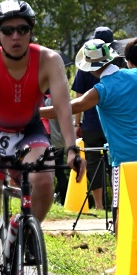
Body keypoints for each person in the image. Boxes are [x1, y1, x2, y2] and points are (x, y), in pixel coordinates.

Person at [0, 0, 84, 275]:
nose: (16, 36)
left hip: (28, 132)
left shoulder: (49, 60)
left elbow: (62, 107)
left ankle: (22, 228)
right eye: (8, 31)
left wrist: (72, 148)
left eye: (23, 29)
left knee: (44, 180)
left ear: (31, 31)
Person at [41, 38, 137, 229]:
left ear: (90, 67)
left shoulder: (102, 89)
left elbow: (70, 107)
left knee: (120, 212)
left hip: (124, 161)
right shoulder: (133, 74)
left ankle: (122, 257)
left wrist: (32, 113)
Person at [70, 26, 114, 210]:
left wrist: (76, 124)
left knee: (94, 163)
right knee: (115, 163)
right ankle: (116, 204)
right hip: (113, 124)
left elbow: (78, 97)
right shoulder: (116, 64)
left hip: (91, 124)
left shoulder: (85, 66)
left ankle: (98, 205)